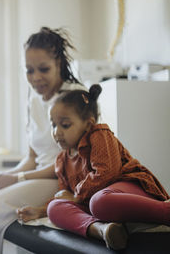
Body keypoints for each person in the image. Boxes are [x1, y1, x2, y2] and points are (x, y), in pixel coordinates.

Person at [0, 27, 86, 254]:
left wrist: (16, 178)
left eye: (43, 69)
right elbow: (33, 156)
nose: (35, 78)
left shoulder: (76, 97)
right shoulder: (33, 98)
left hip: (63, 179)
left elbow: (72, 164)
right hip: (37, 174)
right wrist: (7, 176)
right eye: (29, 70)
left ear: (59, 65)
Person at [17, 84, 170, 250]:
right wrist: (40, 211)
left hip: (127, 186)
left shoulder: (99, 135)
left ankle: (165, 210)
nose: (56, 132)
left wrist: (76, 195)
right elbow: (67, 195)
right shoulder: (61, 161)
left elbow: (107, 173)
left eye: (65, 125)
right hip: (94, 205)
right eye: (53, 125)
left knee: (99, 202)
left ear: (88, 124)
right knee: (55, 207)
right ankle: (104, 230)